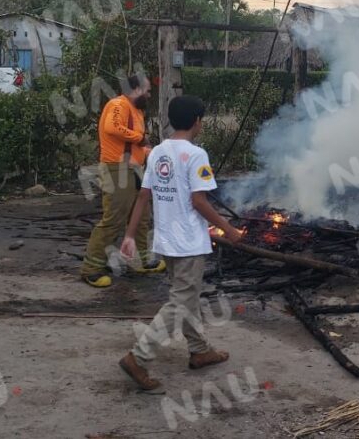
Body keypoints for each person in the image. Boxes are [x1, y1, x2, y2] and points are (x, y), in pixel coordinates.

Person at [116, 95, 244, 391]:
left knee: (187, 297)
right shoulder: (197, 155)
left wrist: (130, 235)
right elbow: (199, 201)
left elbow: (144, 196)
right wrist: (228, 229)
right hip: (188, 243)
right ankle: (138, 357)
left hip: (166, 241)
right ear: (197, 121)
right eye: (202, 120)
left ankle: (200, 350)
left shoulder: (158, 152)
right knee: (180, 302)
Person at [80, 75, 165, 288]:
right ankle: (91, 269)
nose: (149, 94)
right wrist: (140, 138)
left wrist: (153, 152)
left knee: (142, 216)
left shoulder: (136, 111)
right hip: (117, 169)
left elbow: (135, 145)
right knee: (114, 219)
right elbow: (112, 127)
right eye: (147, 90)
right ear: (135, 89)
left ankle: (142, 260)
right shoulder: (118, 104)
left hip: (134, 169)